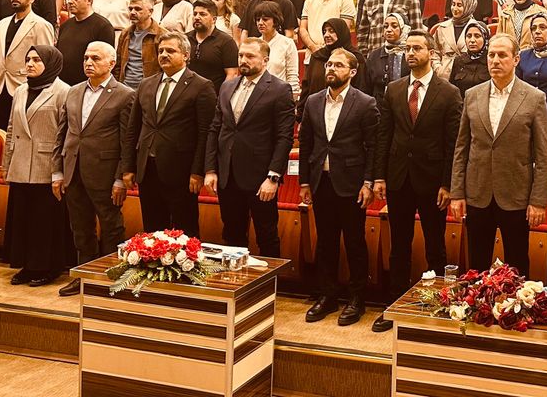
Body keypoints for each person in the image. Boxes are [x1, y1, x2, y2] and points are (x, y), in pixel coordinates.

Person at [371, 30, 463, 332]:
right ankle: (394, 306)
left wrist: (448, 184)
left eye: (417, 48)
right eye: (408, 48)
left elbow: (453, 144)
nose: (411, 53)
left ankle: (440, 304)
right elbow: (384, 135)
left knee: (435, 246)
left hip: (433, 182)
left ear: (431, 54)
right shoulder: (394, 89)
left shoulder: (449, 92)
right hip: (399, 178)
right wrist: (380, 175)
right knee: (399, 246)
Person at [450, 33, 547, 277]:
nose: (495, 60)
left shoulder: (535, 98)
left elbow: (543, 155)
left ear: (516, 59)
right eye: (491, 55)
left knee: (517, 267)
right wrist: (457, 193)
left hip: (516, 195)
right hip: (478, 193)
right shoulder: (472, 95)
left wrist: (538, 201)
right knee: (476, 267)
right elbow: (462, 147)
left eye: (502, 55)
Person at [299, 47, 378, 327]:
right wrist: (304, 182)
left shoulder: (365, 103)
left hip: (352, 184)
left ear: (352, 72)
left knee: (355, 242)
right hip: (321, 182)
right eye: (329, 64)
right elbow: (306, 143)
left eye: (338, 65)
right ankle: (328, 295)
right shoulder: (313, 101)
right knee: (326, 242)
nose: (331, 69)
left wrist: (368, 182)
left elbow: (373, 147)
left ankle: (357, 298)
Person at [54, 41, 135, 297]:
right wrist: (57, 171)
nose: (89, 62)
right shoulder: (73, 91)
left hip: (105, 172)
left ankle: (112, 277)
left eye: (95, 58)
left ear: (112, 63)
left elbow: (127, 141)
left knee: (111, 227)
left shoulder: (125, 95)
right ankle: (83, 277)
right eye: (86, 58)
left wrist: (120, 178)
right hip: (73, 168)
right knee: (80, 228)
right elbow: (63, 133)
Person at [205, 37, 295, 259]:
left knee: (267, 236)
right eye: (241, 55)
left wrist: (273, 177)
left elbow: (284, 137)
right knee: (232, 235)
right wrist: (210, 169)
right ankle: (236, 279)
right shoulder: (227, 86)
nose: (243, 60)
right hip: (228, 174)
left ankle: (271, 281)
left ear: (265, 60)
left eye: (250, 56)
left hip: (260, 177)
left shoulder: (279, 89)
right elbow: (215, 129)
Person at [121, 32, 216, 236]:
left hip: (181, 172)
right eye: (161, 51)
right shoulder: (146, 84)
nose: (164, 54)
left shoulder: (202, 86)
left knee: (185, 232)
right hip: (148, 169)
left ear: (186, 55)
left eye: (170, 51)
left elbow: (205, 133)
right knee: (152, 232)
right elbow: (133, 129)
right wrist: (128, 166)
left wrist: (197, 171)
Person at [1, 45, 70, 287]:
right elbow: (11, 127)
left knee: (44, 220)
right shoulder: (21, 90)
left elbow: (65, 134)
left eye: (37, 60)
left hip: (46, 164)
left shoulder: (63, 91)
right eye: (28, 59)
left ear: (50, 63)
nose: (30, 64)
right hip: (20, 162)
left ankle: (47, 267)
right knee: (23, 218)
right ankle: (26, 265)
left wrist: (60, 171)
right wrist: (7, 164)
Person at [0, 0, 56, 130]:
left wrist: (37, 88)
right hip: (0, 87)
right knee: (1, 131)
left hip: (25, 86)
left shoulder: (41, 24)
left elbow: (46, 59)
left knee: (21, 132)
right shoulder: (2, 23)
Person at [56, 0, 115, 86]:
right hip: (63, 85)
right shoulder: (66, 25)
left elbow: (106, 61)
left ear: (89, 0)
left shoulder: (103, 26)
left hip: (88, 86)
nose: (70, 1)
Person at [448, 20, 491, 95]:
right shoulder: (459, 60)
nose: (472, 40)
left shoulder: (491, 60)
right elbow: (452, 90)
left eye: (477, 36)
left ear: (485, 38)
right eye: (469, 36)